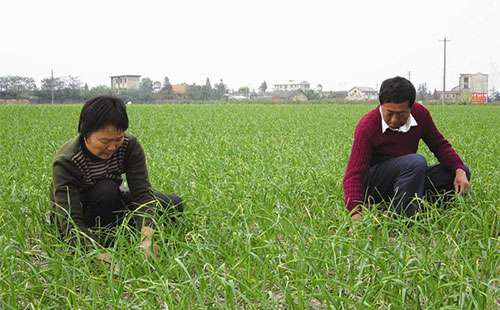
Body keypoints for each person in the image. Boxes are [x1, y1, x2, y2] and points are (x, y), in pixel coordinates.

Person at [50, 95, 183, 257]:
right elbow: (69, 219)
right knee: (106, 189)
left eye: (118, 139)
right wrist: (97, 254)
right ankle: (104, 235)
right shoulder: (67, 160)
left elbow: (142, 195)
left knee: (172, 203)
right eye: (104, 141)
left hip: (113, 201)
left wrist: (147, 237)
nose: (112, 147)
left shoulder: (129, 145)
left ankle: (121, 228)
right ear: (85, 133)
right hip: (81, 211)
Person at [343, 76, 470, 220]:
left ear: (411, 107)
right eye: (389, 113)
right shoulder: (368, 126)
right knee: (415, 162)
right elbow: (353, 175)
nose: (394, 120)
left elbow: (439, 145)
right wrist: (355, 213)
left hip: (407, 181)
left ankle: (419, 209)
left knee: (461, 171)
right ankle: (401, 221)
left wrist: (459, 169)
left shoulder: (420, 114)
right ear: (381, 106)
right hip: (376, 186)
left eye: (401, 114)